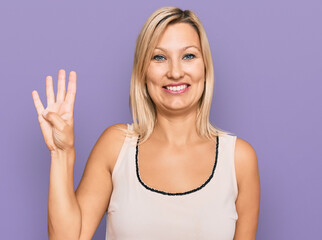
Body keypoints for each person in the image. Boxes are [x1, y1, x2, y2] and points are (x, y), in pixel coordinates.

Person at [32, 6, 260, 240]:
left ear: (205, 68)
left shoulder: (239, 159)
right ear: (143, 72)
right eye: (159, 57)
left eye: (188, 56)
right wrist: (62, 153)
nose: (175, 72)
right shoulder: (116, 146)